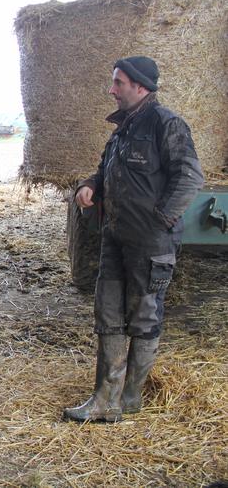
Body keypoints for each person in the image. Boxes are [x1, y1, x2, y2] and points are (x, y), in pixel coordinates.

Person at [64, 56, 204, 422]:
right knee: (107, 314)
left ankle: (129, 398)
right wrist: (89, 186)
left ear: (140, 86)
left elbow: (189, 177)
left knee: (143, 318)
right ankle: (104, 400)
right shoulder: (123, 130)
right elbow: (102, 171)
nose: (111, 90)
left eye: (118, 83)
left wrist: (159, 221)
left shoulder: (165, 123)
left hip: (150, 242)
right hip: (116, 237)